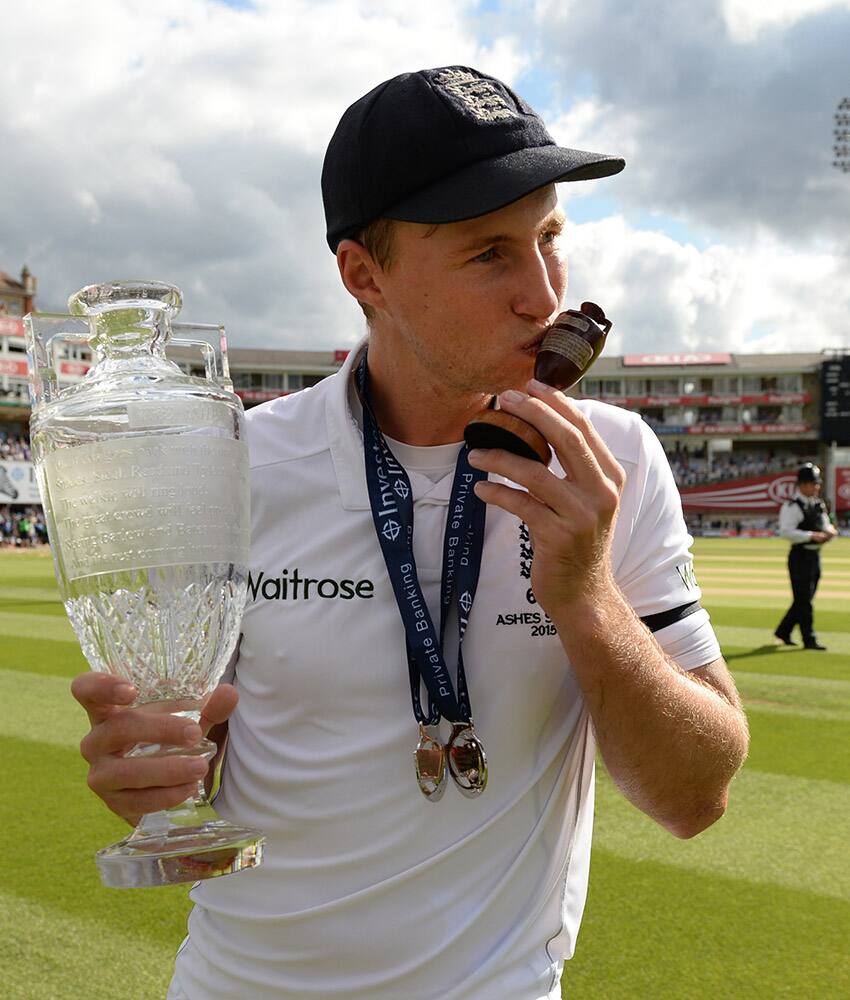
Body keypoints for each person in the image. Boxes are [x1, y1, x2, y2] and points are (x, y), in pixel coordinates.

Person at [72, 66, 749, 1000]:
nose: (542, 294)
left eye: (550, 237)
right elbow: (194, 750)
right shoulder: (238, 463)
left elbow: (695, 796)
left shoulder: (614, 458)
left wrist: (587, 599)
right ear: (365, 274)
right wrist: (150, 769)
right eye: (489, 254)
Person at [774, 463, 837, 650]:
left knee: (805, 598)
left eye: (817, 483)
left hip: (814, 556)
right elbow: (786, 531)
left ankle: (783, 631)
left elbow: (825, 524)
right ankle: (809, 638)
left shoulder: (818, 503)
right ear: (802, 485)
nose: (817, 487)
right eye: (813, 483)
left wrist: (829, 532)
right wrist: (811, 536)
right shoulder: (792, 505)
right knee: (804, 600)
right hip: (799, 556)